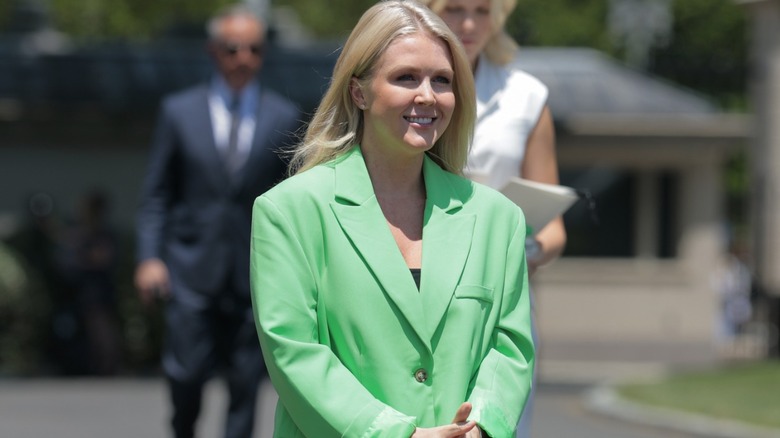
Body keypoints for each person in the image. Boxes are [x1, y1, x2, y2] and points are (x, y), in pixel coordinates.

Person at [249, 1, 534, 437]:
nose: (427, 95)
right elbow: (295, 355)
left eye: (442, 80)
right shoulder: (289, 211)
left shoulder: (499, 219)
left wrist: (481, 426)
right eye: (406, 77)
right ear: (358, 92)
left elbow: (510, 349)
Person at [134, 4, 301, 438]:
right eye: (232, 48)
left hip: (253, 275)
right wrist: (149, 257)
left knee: (246, 387)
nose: (243, 57)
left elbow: (292, 199)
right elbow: (157, 194)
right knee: (186, 376)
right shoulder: (178, 111)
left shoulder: (283, 115)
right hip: (190, 272)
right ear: (213, 51)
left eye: (254, 49)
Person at [420, 0, 567, 435]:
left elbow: (553, 228)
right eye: (454, 8)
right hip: (415, 282)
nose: (468, 23)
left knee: (496, 424)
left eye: (482, 10)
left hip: (500, 293)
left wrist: (520, 251)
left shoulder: (527, 97)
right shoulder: (404, 87)